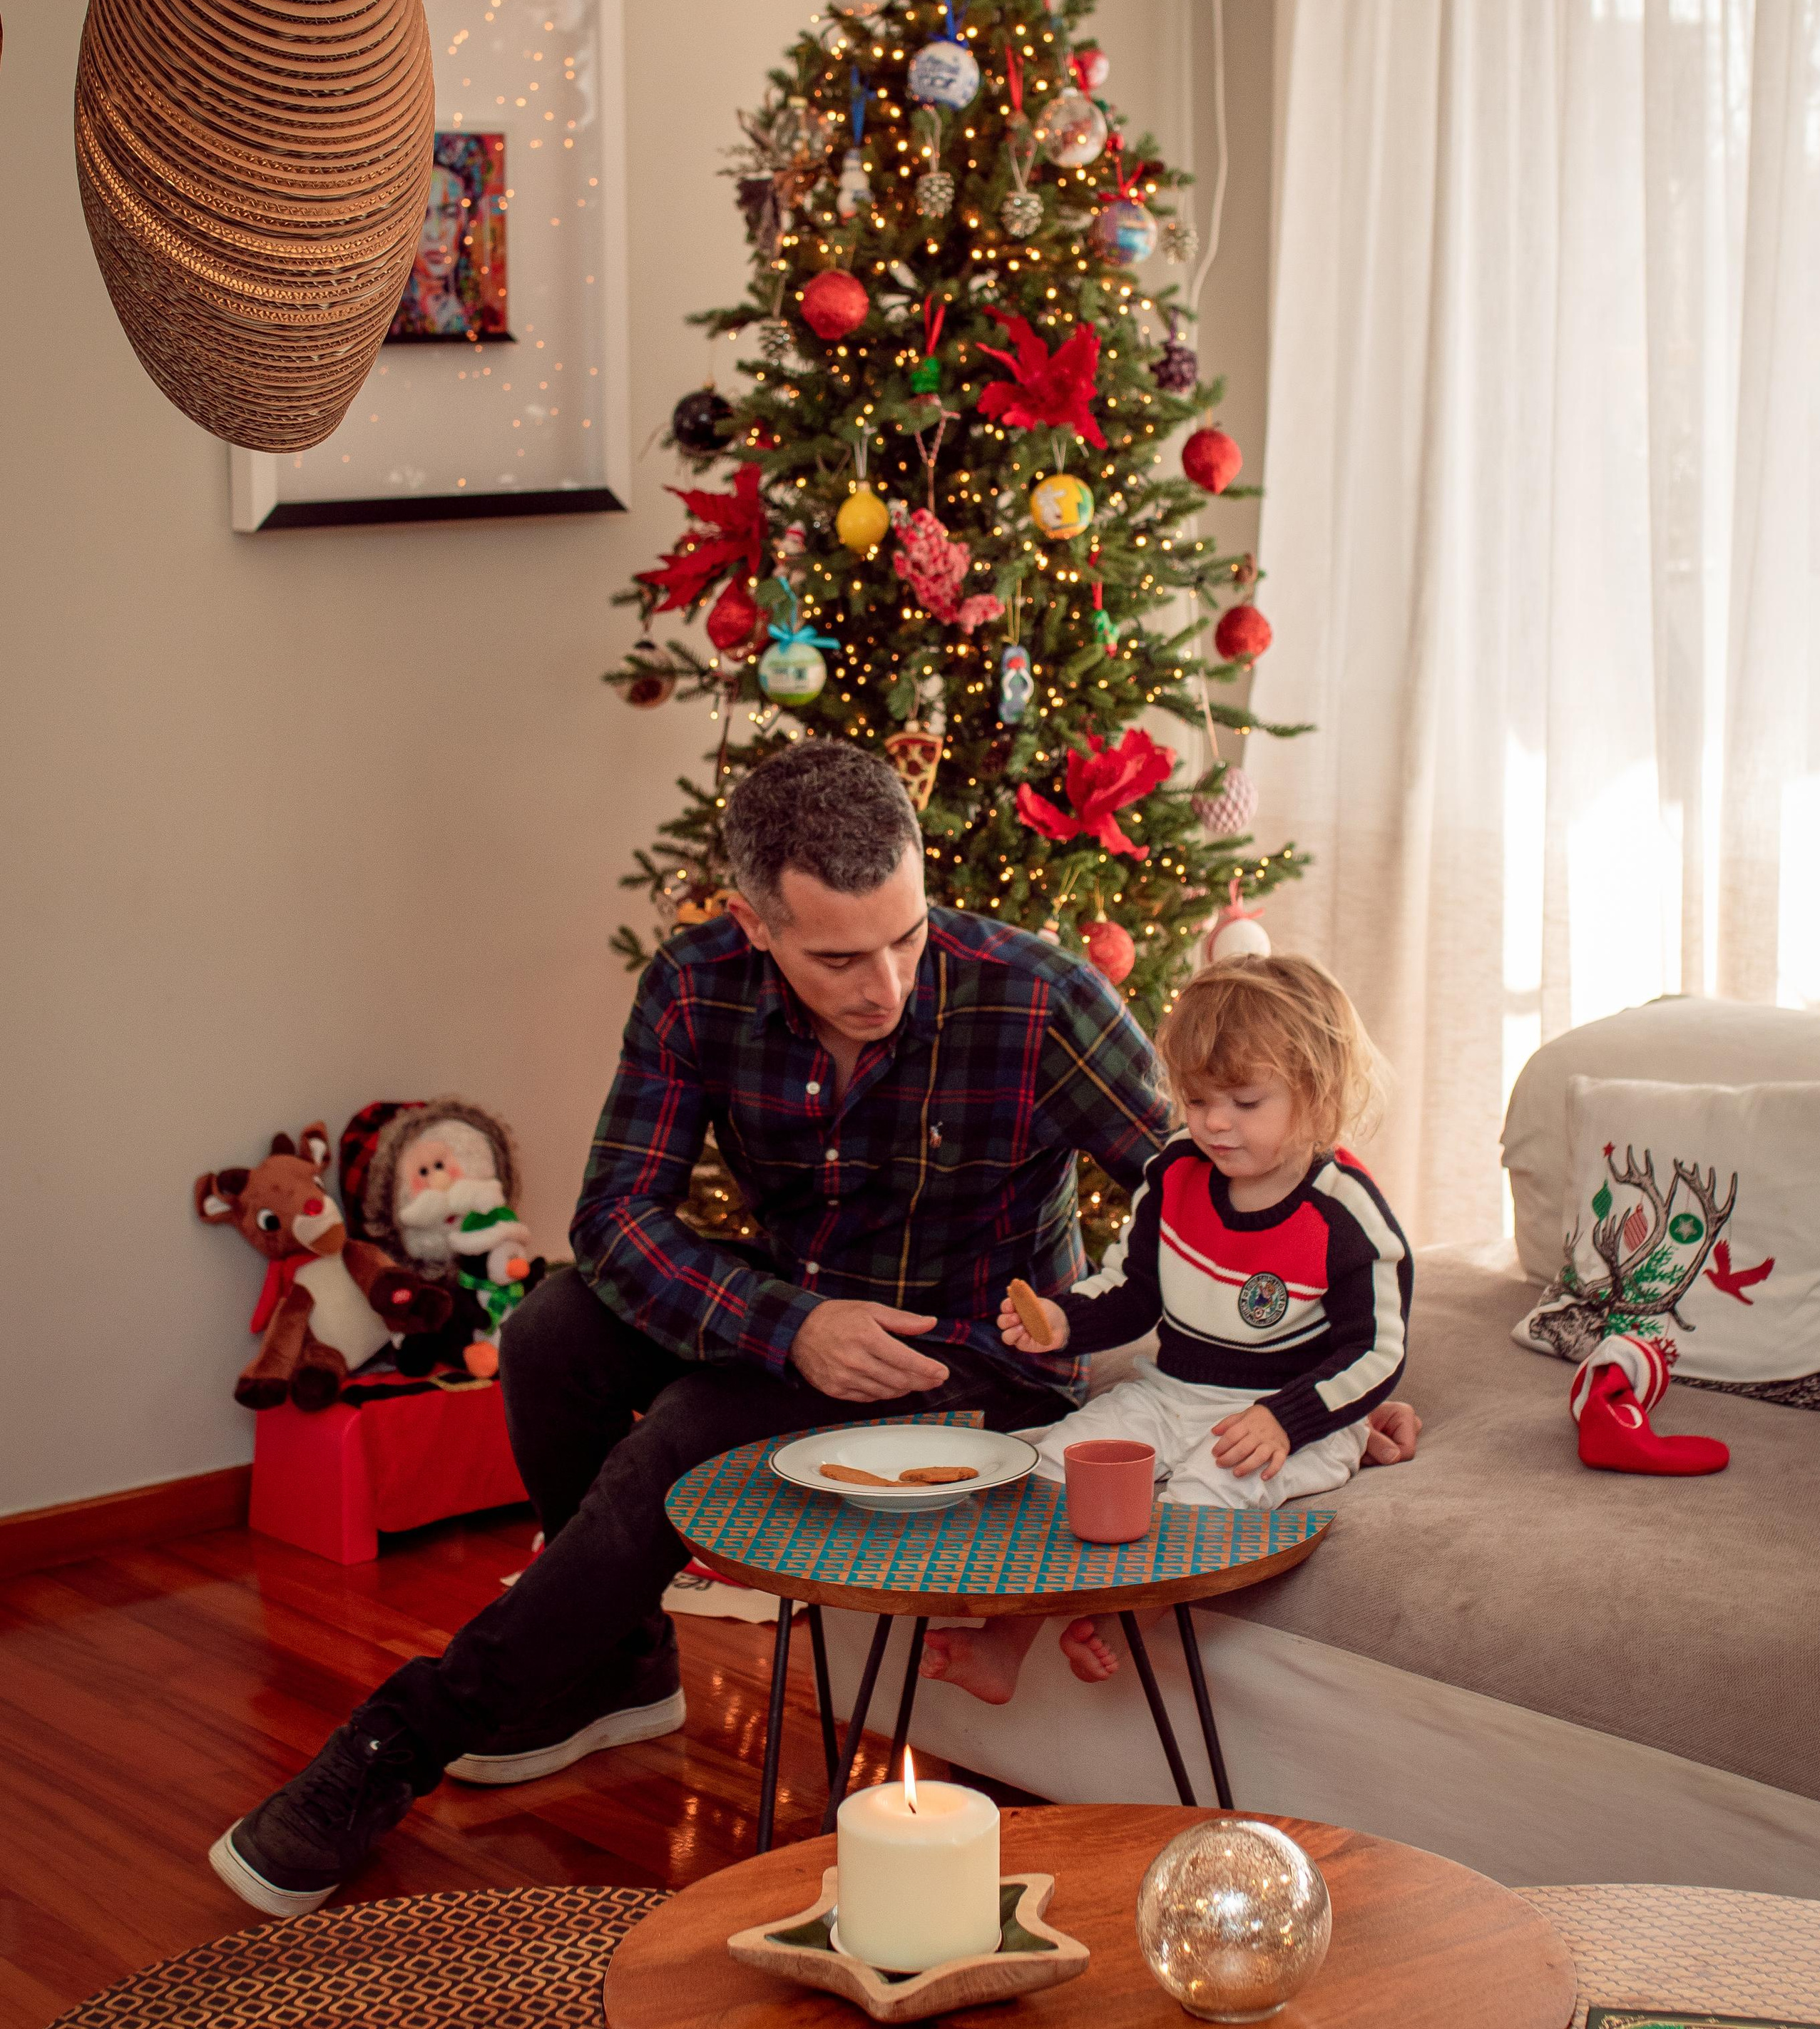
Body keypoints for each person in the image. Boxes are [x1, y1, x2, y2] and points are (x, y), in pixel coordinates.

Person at [209, 740, 1184, 1915]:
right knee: (551, 1328)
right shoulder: (694, 983)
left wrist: (1330, 1356)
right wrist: (793, 1325)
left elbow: (1214, 1192)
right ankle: (620, 1665)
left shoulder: (1039, 994)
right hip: (803, 1309)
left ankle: (397, 1744)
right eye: (839, 958)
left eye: (907, 936)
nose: (885, 986)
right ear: (753, 923)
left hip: (979, 1356)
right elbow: (615, 1217)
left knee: (682, 1434)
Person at [920, 953, 1415, 1705]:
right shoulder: (1175, 1173)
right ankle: (1003, 1644)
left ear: (1318, 1094)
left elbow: (1375, 1351)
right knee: (1057, 1466)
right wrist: (1064, 1319)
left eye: (1245, 1101)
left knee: (1205, 1492)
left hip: (1284, 1418)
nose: (1213, 1122)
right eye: (1198, 1098)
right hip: (1172, 1390)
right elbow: (1133, 1289)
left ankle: (1123, 1626)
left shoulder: (1346, 1213)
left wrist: (1288, 1418)